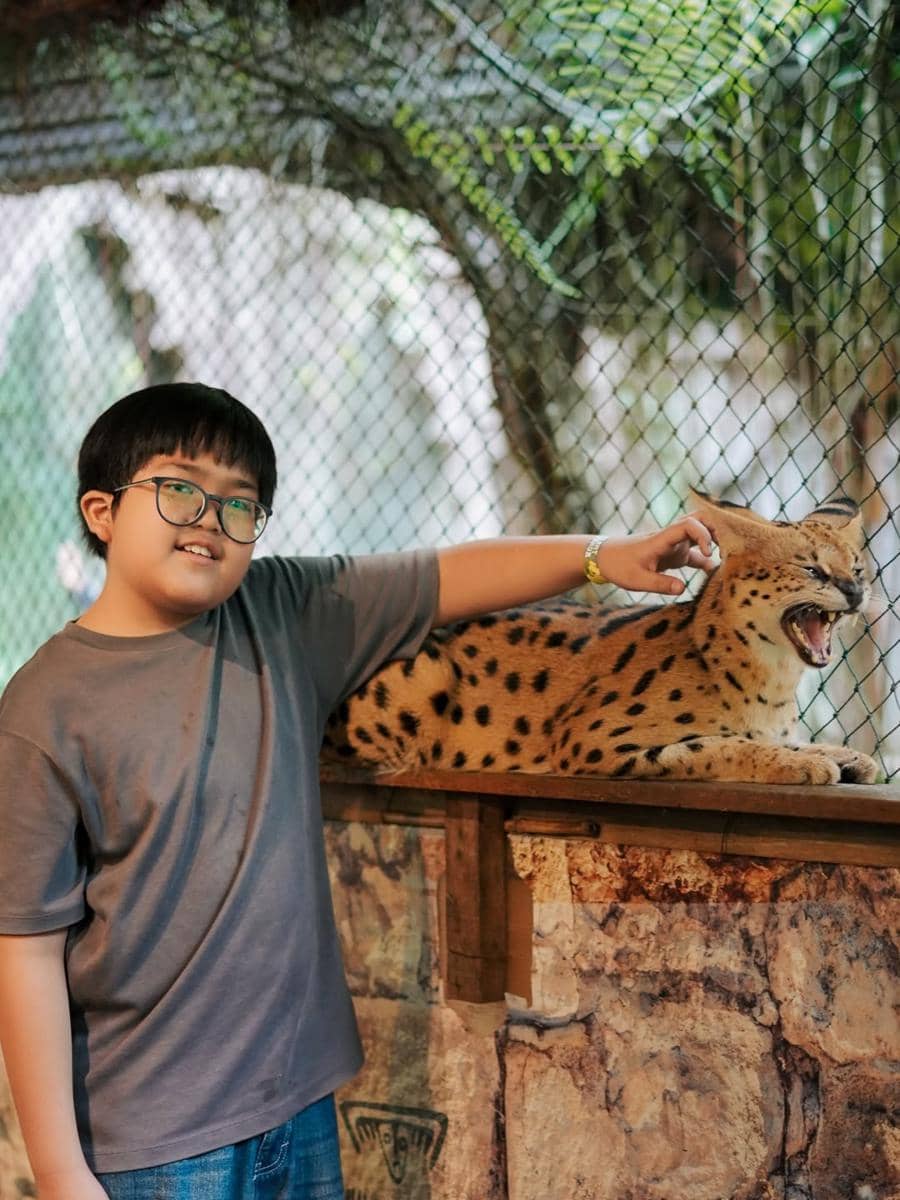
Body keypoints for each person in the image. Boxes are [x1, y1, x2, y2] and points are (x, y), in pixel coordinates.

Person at [0, 383, 716, 1200]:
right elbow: (23, 950)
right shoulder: (41, 712)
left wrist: (602, 557)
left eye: (242, 503)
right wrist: (59, 1169)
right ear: (102, 510)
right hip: (154, 1140)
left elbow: (444, 576)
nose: (212, 516)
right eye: (179, 487)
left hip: (298, 1104)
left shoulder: (281, 614)